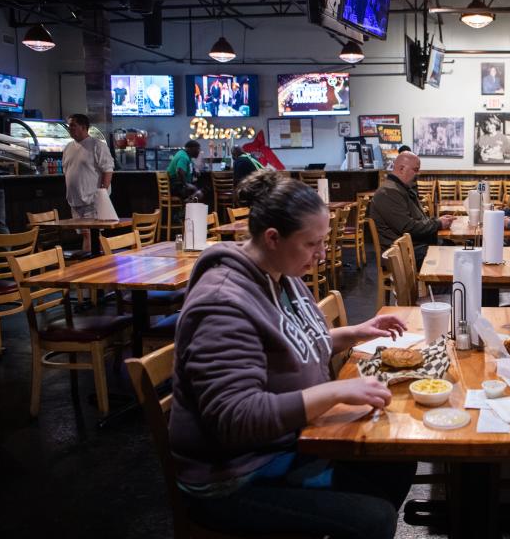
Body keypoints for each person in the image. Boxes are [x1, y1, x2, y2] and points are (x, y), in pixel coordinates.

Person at [170, 171, 414, 538]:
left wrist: (353, 333)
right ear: (272, 238)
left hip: (283, 446)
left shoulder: (280, 273)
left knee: (398, 462)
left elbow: (290, 341)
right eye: (312, 244)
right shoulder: (222, 303)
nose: (322, 254)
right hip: (234, 477)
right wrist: (335, 392)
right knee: (372, 518)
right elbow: (235, 419)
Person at [368, 151, 454, 267]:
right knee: (449, 256)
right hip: (400, 253)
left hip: (412, 246)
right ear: (402, 168)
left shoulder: (400, 189)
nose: (418, 173)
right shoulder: (388, 192)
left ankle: (441, 284)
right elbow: (407, 227)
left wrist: (438, 221)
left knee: (452, 247)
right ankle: (439, 284)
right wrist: (438, 223)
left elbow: (418, 220)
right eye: (415, 169)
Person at [62, 114, 114, 251]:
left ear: (84, 127)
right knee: (85, 235)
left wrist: (102, 192)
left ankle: (96, 267)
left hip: (92, 200)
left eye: (73, 125)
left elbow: (108, 169)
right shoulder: (68, 147)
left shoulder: (97, 145)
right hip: (75, 200)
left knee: (92, 234)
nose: (69, 128)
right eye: (69, 125)